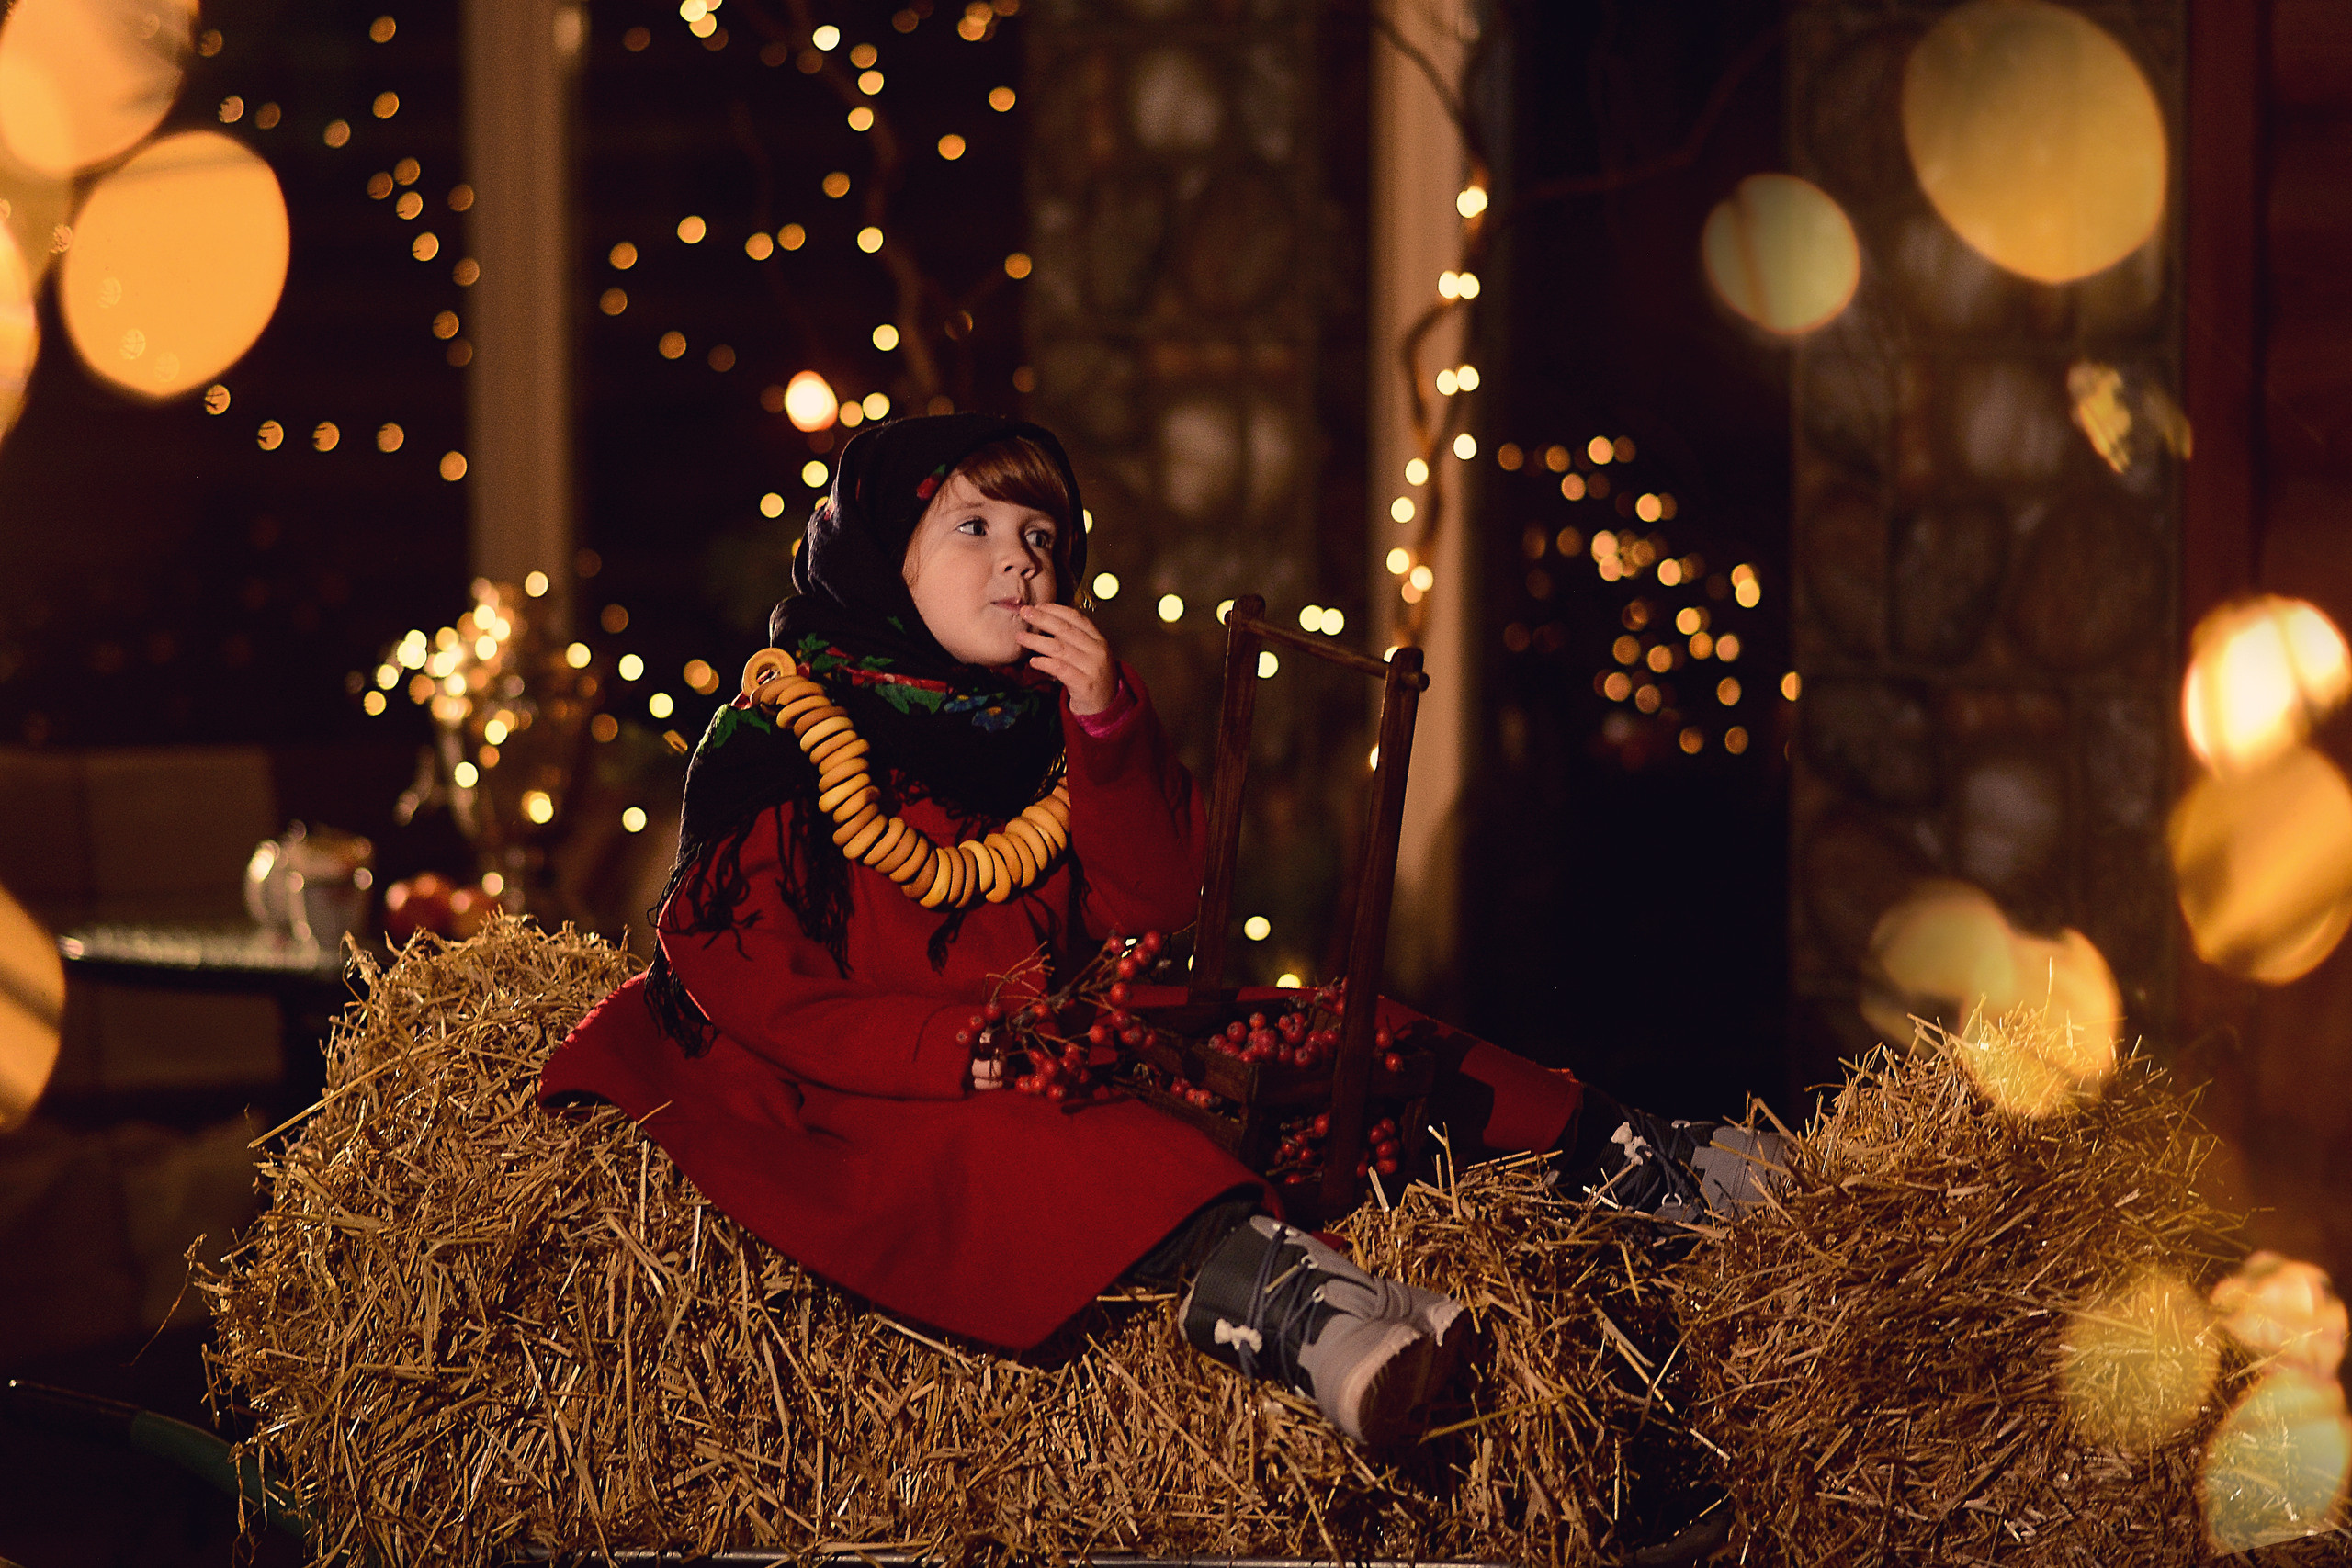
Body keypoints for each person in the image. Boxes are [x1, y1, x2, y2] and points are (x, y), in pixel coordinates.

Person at [538, 412, 1777, 1449]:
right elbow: (753, 986)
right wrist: (957, 1052)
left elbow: (1147, 909)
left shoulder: (1041, 733)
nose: (1019, 561)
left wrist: (1105, 723)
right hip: (849, 1080)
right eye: (972, 529)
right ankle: (1307, 1315)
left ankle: (1630, 1153)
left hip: (1044, 1030)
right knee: (1059, 1133)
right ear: (880, 562)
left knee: (1328, 1036)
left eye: (1042, 538)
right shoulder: (778, 739)